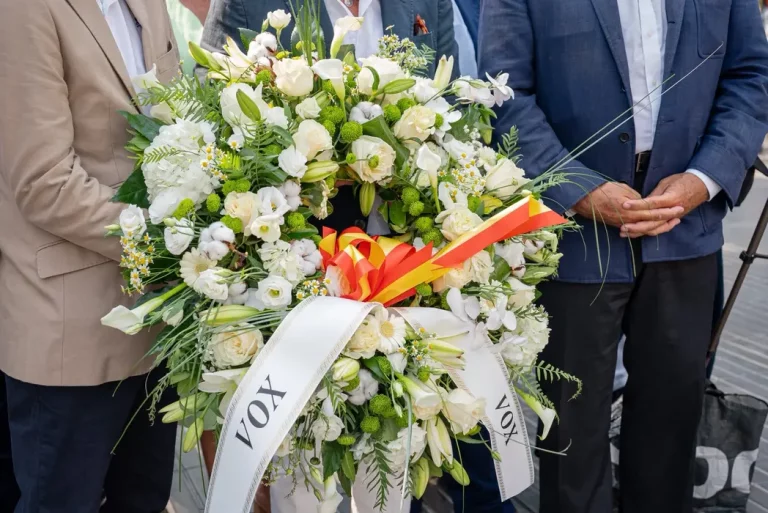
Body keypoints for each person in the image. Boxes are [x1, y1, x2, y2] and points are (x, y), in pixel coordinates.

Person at [479, 1, 768, 512]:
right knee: (569, 437)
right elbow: (503, 93)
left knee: (671, 429)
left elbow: (750, 76)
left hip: (685, 227)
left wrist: (703, 180)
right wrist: (581, 190)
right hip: (571, 235)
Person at [0, 1, 181, 511]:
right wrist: (173, 245)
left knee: (144, 500)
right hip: (69, 331)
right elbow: (45, 183)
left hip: (158, 324)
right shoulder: (22, 11)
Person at [201, 0, 459, 236]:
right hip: (298, 241)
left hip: (410, 239)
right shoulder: (246, 4)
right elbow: (211, 99)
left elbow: (452, 110)